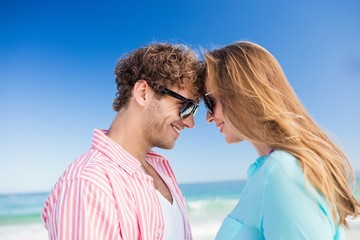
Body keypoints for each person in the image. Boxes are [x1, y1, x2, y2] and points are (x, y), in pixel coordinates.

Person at [42, 43, 204, 240]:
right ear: (143, 93)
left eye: (194, 110)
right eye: (185, 106)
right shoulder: (89, 185)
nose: (191, 122)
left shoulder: (161, 170)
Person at [203, 41, 360, 239]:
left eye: (210, 101)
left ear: (239, 94)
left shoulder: (283, 171)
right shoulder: (275, 169)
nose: (208, 117)